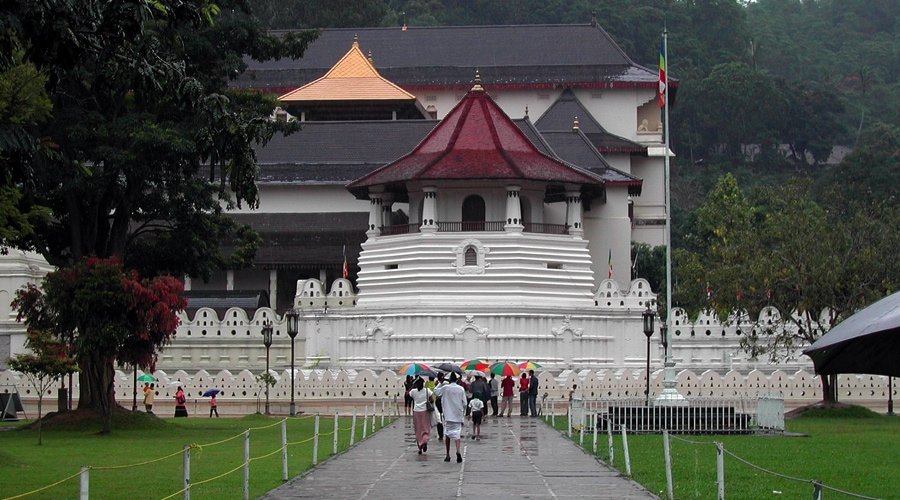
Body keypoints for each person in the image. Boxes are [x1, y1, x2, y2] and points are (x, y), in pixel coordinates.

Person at [434, 372, 467, 463]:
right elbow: (465, 403)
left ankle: (448, 454)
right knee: (457, 434)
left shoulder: (445, 388)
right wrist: (461, 410)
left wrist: (441, 382)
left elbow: (436, 392)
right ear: (456, 380)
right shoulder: (461, 389)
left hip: (448, 415)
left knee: (447, 434)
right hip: (457, 415)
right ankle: (458, 451)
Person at [408, 378, 433, 454]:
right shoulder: (427, 391)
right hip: (425, 411)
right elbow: (432, 399)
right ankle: (424, 440)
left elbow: (407, 394)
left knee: (418, 429)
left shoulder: (413, 391)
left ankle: (420, 447)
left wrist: (412, 386)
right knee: (425, 428)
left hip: (416, 411)